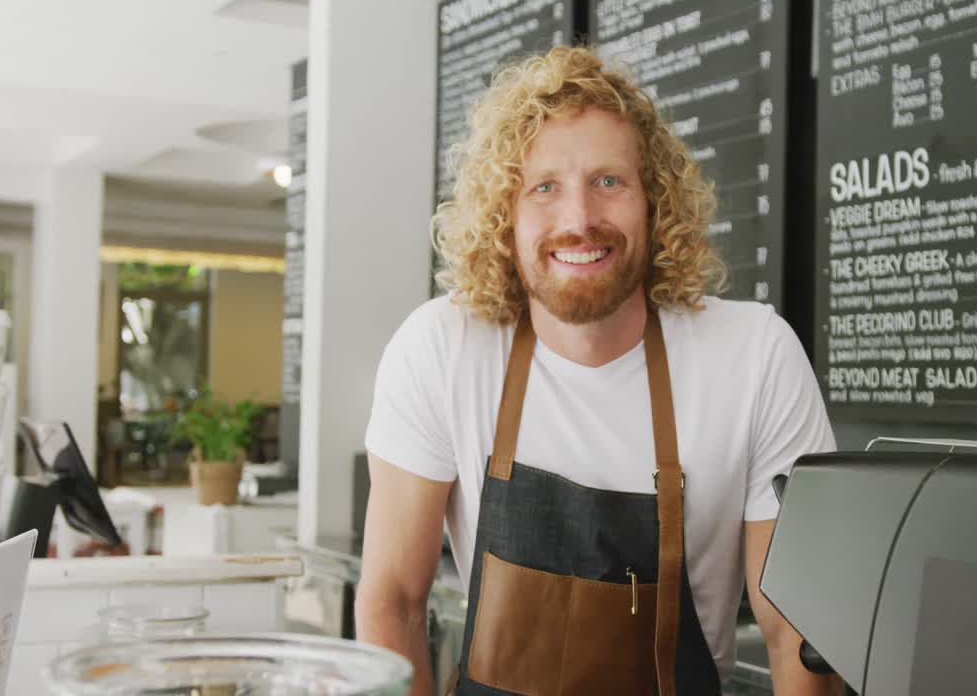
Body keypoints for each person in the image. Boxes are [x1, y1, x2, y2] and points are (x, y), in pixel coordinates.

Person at [357, 45, 839, 695]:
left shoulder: (755, 356)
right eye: (545, 187)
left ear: (654, 203)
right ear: (505, 216)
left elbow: (795, 632)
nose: (580, 220)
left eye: (608, 181)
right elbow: (392, 602)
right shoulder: (440, 350)